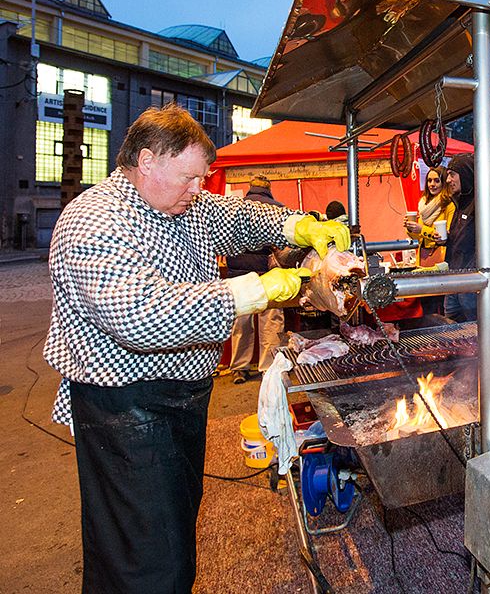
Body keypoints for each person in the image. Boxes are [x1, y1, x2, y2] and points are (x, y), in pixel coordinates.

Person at [43, 104, 351, 593]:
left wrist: (299, 226)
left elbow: (244, 216)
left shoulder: (190, 205)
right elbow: (136, 315)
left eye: (202, 178)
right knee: (146, 562)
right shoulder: (93, 217)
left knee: (173, 532)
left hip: (182, 399)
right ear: (146, 162)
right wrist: (251, 291)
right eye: (190, 177)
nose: (199, 189)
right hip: (128, 406)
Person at [224, 175, 287, 384]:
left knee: (241, 322)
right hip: (266, 274)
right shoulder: (276, 208)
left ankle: (239, 368)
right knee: (270, 321)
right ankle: (267, 367)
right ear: (269, 189)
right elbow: (282, 244)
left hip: (238, 274)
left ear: (250, 188)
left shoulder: (235, 207)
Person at [405, 166, 456, 315]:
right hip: (423, 257)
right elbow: (417, 238)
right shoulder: (424, 205)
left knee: (437, 303)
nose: (432, 184)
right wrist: (411, 229)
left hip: (440, 257)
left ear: (444, 183)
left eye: (436, 181)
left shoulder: (449, 204)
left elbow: (446, 236)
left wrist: (422, 229)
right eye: (429, 181)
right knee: (425, 301)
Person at [444, 154, 478, 321]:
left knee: (472, 327)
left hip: (469, 281)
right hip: (454, 277)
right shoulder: (459, 202)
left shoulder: (478, 204)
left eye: (452, 174)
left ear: (465, 175)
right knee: (450, 324)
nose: (448, 180)